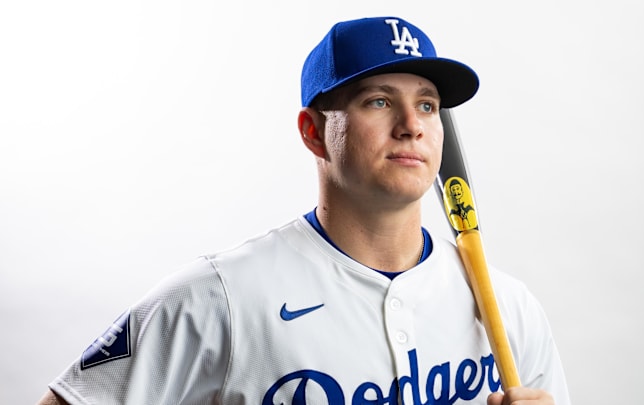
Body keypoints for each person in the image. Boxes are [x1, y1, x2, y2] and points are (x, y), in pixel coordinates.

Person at [38, 16, 571, 404]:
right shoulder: (220, 299)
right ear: (314, 133)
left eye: (427, 104)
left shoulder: (509, 306)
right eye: (379, 101)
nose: (411, 123)